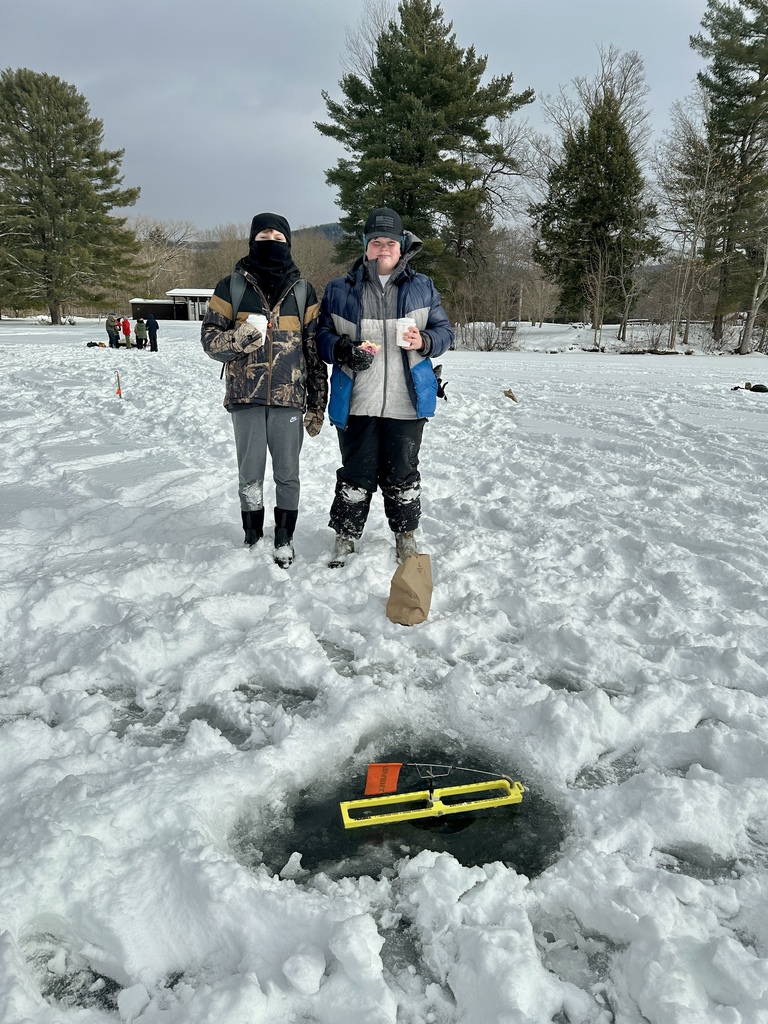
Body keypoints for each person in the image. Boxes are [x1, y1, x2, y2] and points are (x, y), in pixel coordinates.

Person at [317, 206, 453, 567]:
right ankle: (345, 537)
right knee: (355, 473)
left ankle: (405, 538)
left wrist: (423, 340)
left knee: (402, 474)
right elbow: (321, 338)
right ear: (365, 247)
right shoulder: (339, 289)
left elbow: (445, 333)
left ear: (402, 245)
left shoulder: (422, 287)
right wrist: (343, 349)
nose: (382, 248)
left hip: (406, 401)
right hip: (357, 399)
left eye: (389, 242)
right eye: (375, 242)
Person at [200, 212, 327, 567]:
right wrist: (237, 339)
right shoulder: (231, 287)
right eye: (263, 233)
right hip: (246, 398)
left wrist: (318, 402)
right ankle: (252, 535)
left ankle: (284, 537)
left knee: (288, 474)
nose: (270, 238)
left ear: (288, 241)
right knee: (250, 474)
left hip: (290, 400)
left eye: (277, 233)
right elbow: (209, 342)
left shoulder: (303, 291)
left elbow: (314, 352)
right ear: (252, 239)